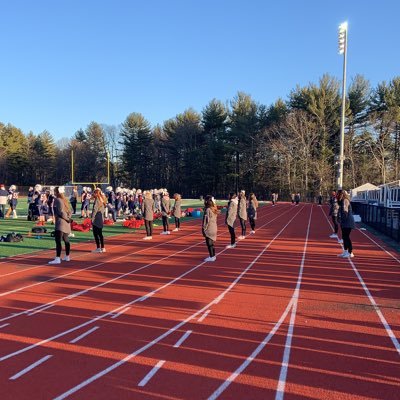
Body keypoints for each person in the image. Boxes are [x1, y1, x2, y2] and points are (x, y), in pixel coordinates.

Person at [49, 186, 72, 264]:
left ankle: (58, 258)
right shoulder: (65, 200)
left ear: (57, 192)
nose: (54, 193)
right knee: (66, 239)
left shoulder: (57, 200)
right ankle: (67, 256)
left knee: (58, 241)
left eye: (55, 191)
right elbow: (70, 211)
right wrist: (68, 218)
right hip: (66, 223)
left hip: (61, 223)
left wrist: (66, 218)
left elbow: (60, 212)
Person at [337, 190, 355, 258]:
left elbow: (345, 212)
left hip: (348, 221)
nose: (338, 196)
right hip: (345, 221)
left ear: (342, 194)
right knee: (344, 237)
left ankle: (350, 252)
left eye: (339, 194)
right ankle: (345, 251)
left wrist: (342, 220)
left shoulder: (345, 200)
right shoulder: (342, 201)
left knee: (346, 237)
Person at [202, 195, 219, 262]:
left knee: (209, 243)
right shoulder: (213, 208)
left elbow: (206, 220)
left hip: (209, 228)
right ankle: (213, 255)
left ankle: (212, 256)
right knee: (211, 242)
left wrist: (204, 228)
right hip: (214, 226)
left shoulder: (208, 209)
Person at [91, 188, 106, 253]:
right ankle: (102, 247)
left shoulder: (97, 200)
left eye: (94, 193)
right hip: (101, 216)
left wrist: (92, 218)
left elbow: (95, 210)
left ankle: (98, 248)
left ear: (96, 193)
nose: (93, 194)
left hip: (97, 217)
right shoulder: (102, 199)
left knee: (95, 233)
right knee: (100, 233)